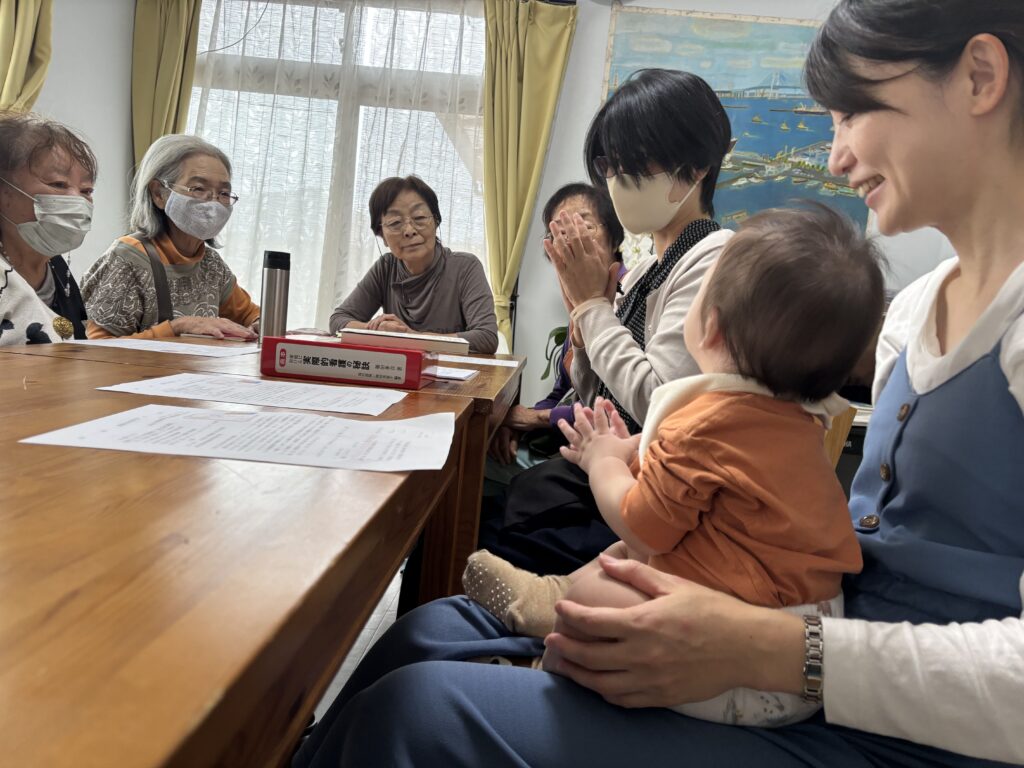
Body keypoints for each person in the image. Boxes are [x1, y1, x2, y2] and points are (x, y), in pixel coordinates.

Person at [294, 2, 1024, 766]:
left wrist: (771, 648)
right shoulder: (915, 304)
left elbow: (708, 420)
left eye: (853, 112)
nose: (837, 157)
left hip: (893, 726)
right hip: (801, 641)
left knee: (418, 712)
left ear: (978, 77)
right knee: (434, 628)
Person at [464, 205, 883, 727]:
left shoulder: (705, 421)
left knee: (612, 574)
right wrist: (630, 453)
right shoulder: (791, 418)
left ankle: (546, 663)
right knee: (624, 556)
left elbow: (645, 522)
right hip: (806, 642)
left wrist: (602, 463)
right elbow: (700, 479)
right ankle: (547, 598)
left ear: (709, 326)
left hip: (741, 667)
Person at [484, 69, 736, 576]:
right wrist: (582, 320)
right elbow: (593, 395)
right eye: (611, 164)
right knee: (489, 494)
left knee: (505, 508)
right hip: (615, 466)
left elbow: (657, 401)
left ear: (698, 167)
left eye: (636, 163)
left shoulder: (716, 258)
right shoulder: (647, 268)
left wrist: (591, 308)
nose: (618, 180)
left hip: (657, 491)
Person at [488, 182, 625, 473]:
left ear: (614, 238)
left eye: (583, 228)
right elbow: (562, 391)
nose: (572, 242)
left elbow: (617, 405)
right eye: (560, 234)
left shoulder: (630, 298)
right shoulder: (579, 301)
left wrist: (537, 418)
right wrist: (519, 423)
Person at [81, 134, 259, 340]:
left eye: (224, 193)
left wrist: (259, 324)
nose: (214, 203)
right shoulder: (128, 258)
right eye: (199, 189)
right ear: (159, 194)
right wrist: (177, 327)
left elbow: (248, 315)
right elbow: (97, 349)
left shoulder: (211, 264)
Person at [328, 175, 498, 354]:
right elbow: (338, 320)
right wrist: (378, 330)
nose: (409, 231)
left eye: (419, 217)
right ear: (382, 236)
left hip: (453, 378)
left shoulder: (465, 267)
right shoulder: (386, 267)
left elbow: (486, 338)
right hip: (399, 375)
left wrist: (411, 337)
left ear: (436, 222)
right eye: (395, 223)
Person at [0, 112, 95, 342]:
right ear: (4, 192)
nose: (77, 200)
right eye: (58, 184)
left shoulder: (57, 267)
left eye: (86, 190)